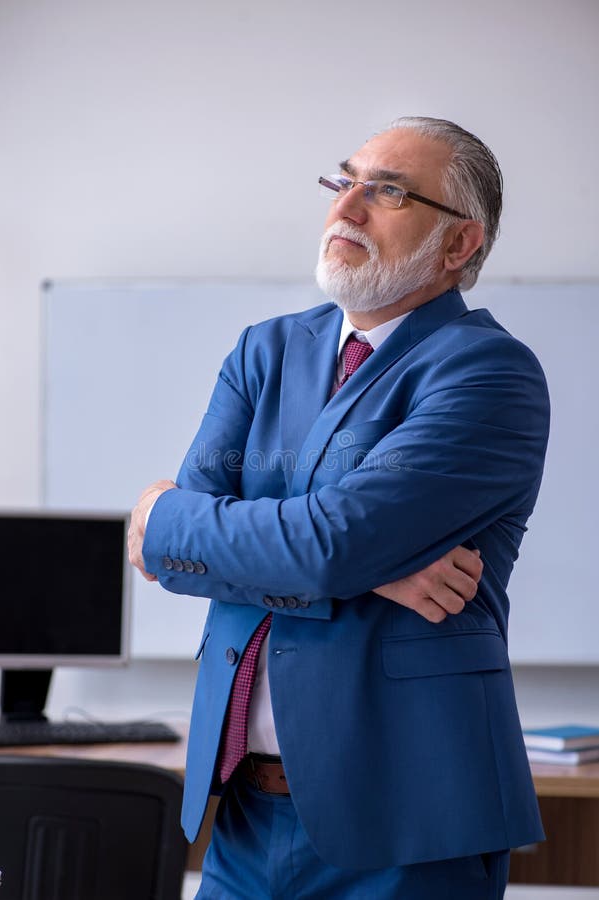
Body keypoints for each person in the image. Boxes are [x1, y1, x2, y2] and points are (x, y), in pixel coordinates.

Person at [128, 116, 549, 899]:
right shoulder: (266, 350)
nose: (346, 208)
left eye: (387, 191)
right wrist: (372, 568)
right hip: (243, 816)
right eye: (343, 181)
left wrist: (185, 523)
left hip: (406, 820)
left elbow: (311, 545)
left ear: (460, 244)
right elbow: (170, 558)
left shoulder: (489, 372)